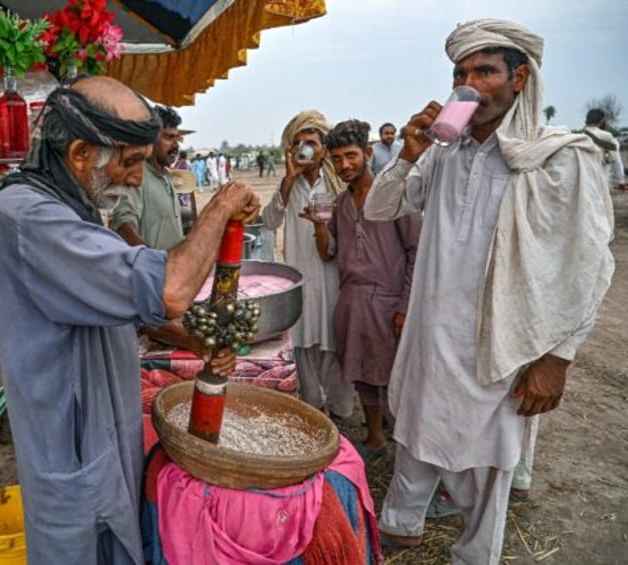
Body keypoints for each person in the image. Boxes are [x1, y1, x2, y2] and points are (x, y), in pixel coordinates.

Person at [0, 76, 260, 565]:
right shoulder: (27, 216)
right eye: (130, 163)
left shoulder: (70, 202)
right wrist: (221, 206)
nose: (134, 178)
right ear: (83, 152)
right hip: (73, 447)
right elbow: (167, 290)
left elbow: (109, 299)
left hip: (105, 428)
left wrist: (192, 338)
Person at [363, 19, 614, 563]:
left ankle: (476, 553)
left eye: (485, 70)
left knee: (489, 455)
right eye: (460, 72)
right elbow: (379, 210)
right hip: (433, 334)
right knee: (415, 428)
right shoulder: (442, 154)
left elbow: (588, 265)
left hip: (498, 342)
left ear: (519, 78)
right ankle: (401, 524)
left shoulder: (558, 158)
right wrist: (407, 153)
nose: (469, 83)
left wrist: (558, 358)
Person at [300, 119, 420, 461]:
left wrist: (405, 305)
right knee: (362, 375)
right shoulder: (338, 204)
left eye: (351, 155)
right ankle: (375, 438)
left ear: (367, 152)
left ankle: (408, 449)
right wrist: (320, 226)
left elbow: (416, 250)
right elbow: (329, 253)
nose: (344, 165)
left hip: (389, 301)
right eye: (336, 158)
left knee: (395, 378)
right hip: (351, 301)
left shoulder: (393, 195)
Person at [261, 110, 353, 430]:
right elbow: (270, 220)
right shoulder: (291, 183)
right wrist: (288, 177)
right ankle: (313, 411)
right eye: (299, 143)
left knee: (333, 345)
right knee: (302, 344)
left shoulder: (338, 182)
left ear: (324, 149)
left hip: (333, 280)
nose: (305, 148)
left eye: (311, 143)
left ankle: (341, 412)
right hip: (299, 277)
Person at [111, 105, 185, 249]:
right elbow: (123, 225)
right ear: (152, 139)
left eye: (177, 138)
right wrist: (150, 260)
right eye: (169, 137)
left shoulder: (166, 177)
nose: (176, 145)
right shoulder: (137, 175)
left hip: (174, 268)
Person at [582, 108, 626, 190]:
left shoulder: (580, 137)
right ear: (601, 121)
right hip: (602, 182)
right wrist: (621, 180)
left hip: (584, 183)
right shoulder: (607, 137)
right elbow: (616, 161)